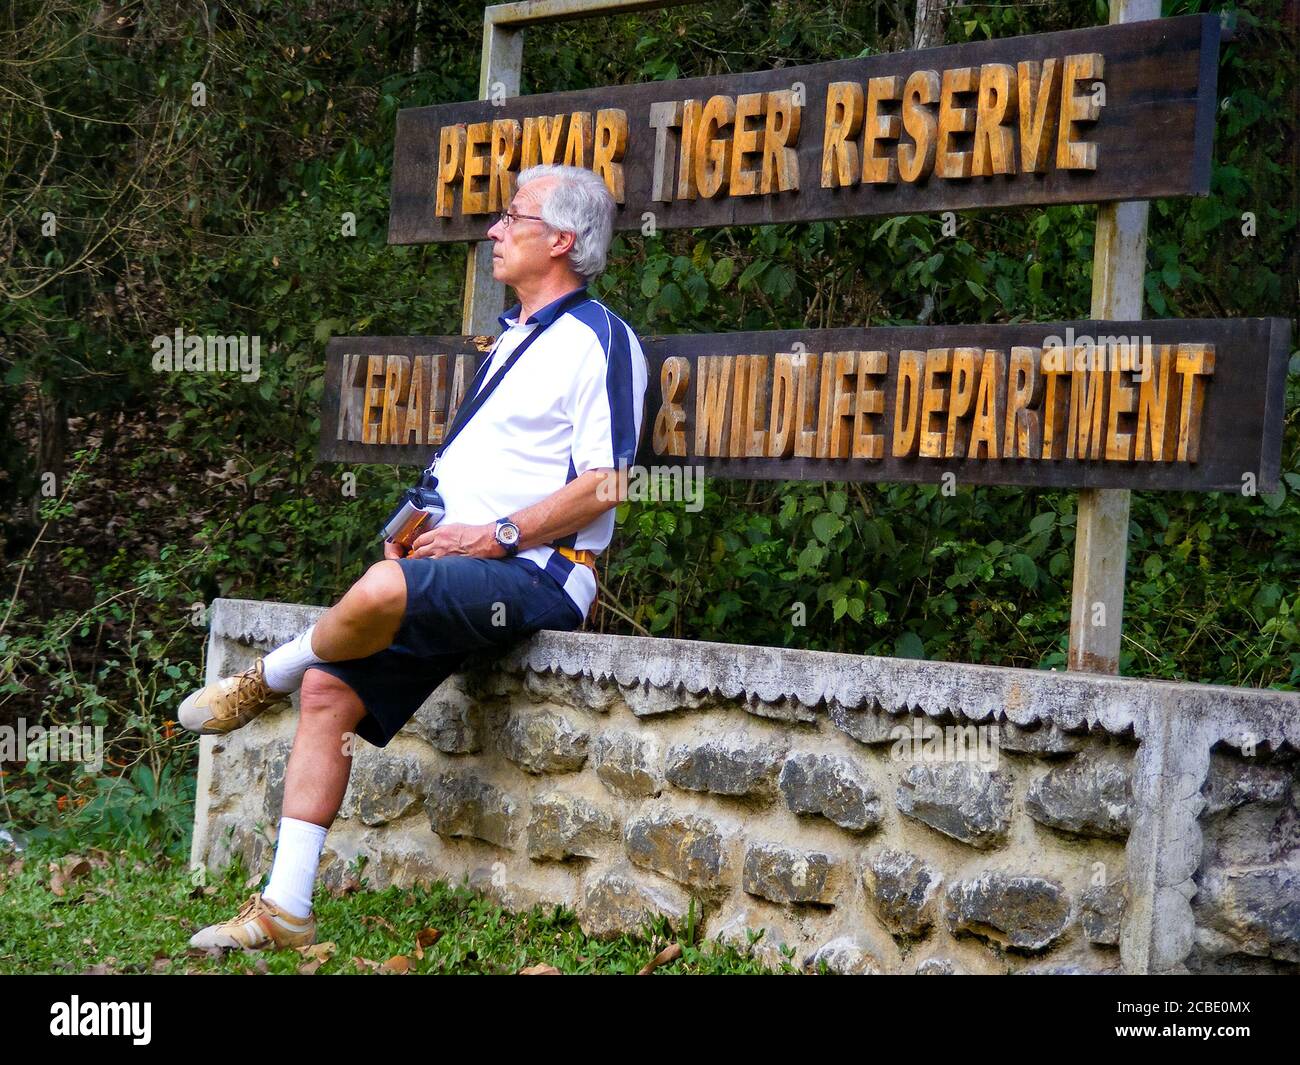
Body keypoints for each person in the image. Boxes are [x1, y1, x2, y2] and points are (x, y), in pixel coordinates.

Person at [177, 163, 648, 950]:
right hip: (469, 568)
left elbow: (607, 482)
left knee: (376, 591)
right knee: (329, 692)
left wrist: (490, 534)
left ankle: (264, 677)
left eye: (512, 217)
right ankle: (287, 906)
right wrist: (433, 520)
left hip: (538, 575)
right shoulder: (514, 337)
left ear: (561, 239)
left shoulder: (600, 339)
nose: (493, 231)